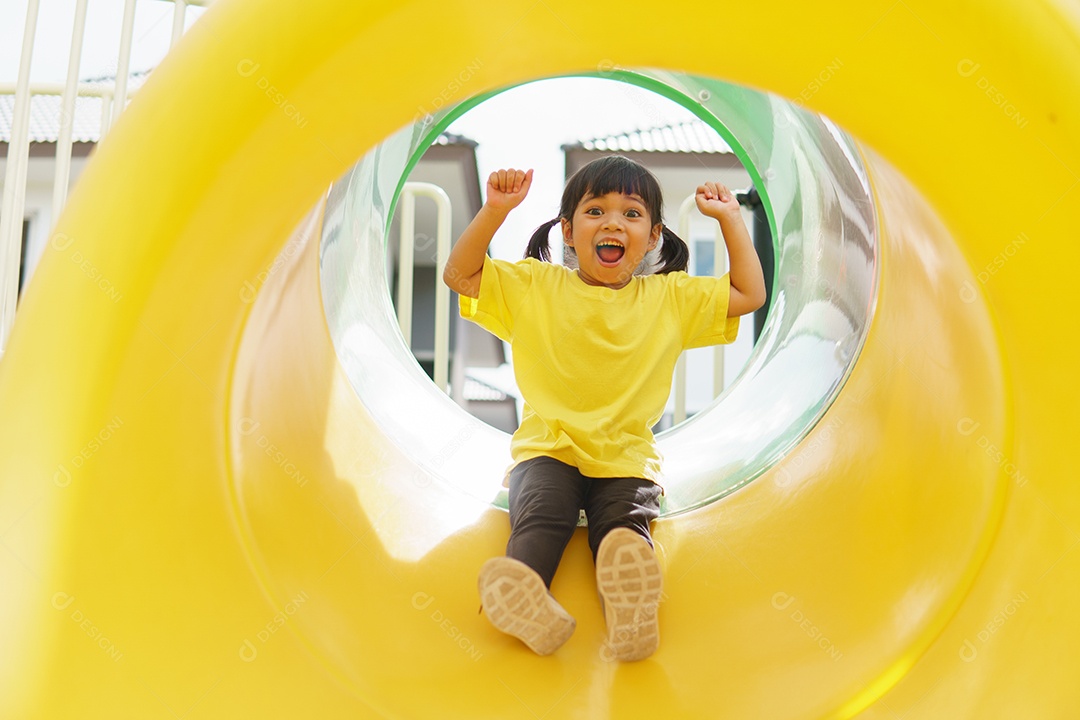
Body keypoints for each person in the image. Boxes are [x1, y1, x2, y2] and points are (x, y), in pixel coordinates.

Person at [442, 155, 766, 661]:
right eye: (596, 211)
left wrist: (729, 219)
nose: (613, 222)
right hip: (548, 449)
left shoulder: (668, 298)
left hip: (626, 458)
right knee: (540, 515)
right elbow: (461, 274)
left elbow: (749, 293)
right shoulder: (536, 286)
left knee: (625, 525)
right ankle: (526, 596)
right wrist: (496, 210)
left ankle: (632, 608)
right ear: (568, 232)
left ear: (654, 236)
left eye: (631, 214)